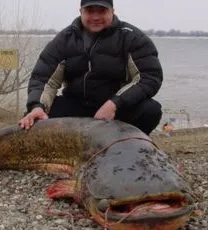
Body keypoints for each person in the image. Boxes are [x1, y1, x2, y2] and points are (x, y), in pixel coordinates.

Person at [18, 0, 163, 135]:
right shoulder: (64, 40)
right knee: (34, 119)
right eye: (89, 11)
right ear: (80, 11)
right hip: (77, 105)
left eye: (101, 11)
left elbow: (149, 77)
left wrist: (114, 104)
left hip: (117, 106)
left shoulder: (132, 38)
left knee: (150, 110)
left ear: (112, 11)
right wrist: (37, 106)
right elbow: (44, 79)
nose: (95, 17)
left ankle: (128, 147)